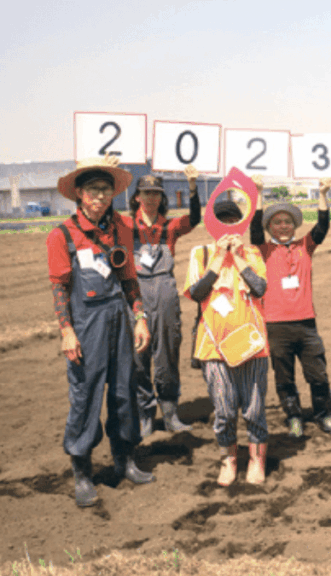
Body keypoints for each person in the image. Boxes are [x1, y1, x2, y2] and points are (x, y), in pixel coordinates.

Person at [47, 156, 155, 507]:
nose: (100, 197)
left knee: (125, 391)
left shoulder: (120, 228)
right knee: (86, 396)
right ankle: (82, 472)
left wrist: (140, 317)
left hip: (118, 319)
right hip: (85, 324)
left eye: (106, 190)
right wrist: (66, 330)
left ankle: (126, 460)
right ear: (79, 193)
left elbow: (129, 279)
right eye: (93, 190)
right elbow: (59, 287)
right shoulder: (62, 235)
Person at [185, 199, 270, 486]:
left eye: (234, 221)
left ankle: (257, 460)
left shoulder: (253, 252)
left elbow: (259, 288)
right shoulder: (200, 253)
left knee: (254, 408)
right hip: (213, 347)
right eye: (222, 221)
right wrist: (220, 257)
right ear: (212, 225)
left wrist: (238, 257)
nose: (228, 227)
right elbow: (197, 293)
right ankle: (229, 460)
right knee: (223, 410)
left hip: (252, 345)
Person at [249, 176, 331, 438]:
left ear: (294, 225)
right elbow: (254, 228)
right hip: (276, 324)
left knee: (318, 373)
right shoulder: (263, 250)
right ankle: (294, 417)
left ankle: (324, 415)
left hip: (306, 322)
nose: (283, 226)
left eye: (287, 221)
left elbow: (322, 226)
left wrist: (322, 194)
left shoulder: (305, 246)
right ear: (269, 227)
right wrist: (258, 193)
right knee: (284, 377)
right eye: (277, 222)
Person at [129, 166, 202, 436]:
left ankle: (170, 413)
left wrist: (192, 186)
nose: (151, 198)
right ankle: (145, 416)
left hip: (166, 291)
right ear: (137, 196)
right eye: (146, 193)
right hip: (136, 292)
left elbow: (194, 218)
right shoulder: (126, 227)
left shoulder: (170, 227)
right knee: (138, 356)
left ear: (162, 198)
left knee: (168, 353)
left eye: (156, 193)